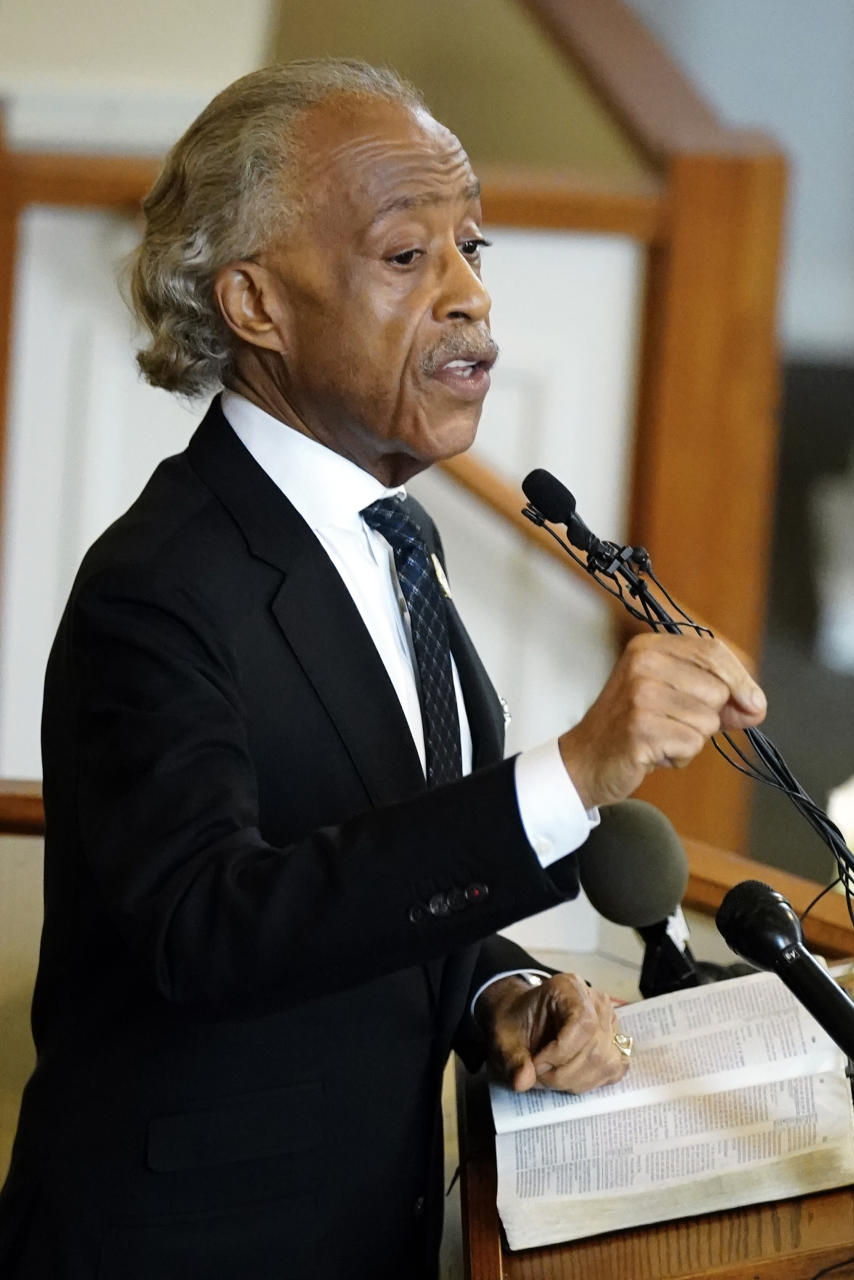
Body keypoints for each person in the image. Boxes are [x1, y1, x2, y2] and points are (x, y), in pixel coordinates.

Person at [0, 59, 766, 1279]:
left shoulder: (392, 536)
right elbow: (210, 929)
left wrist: (499, 995)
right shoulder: (158, 585)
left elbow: (381, 875)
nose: (470, 298)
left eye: (474, 248)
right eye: (409, 257)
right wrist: (573, 768)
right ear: (254, 302)